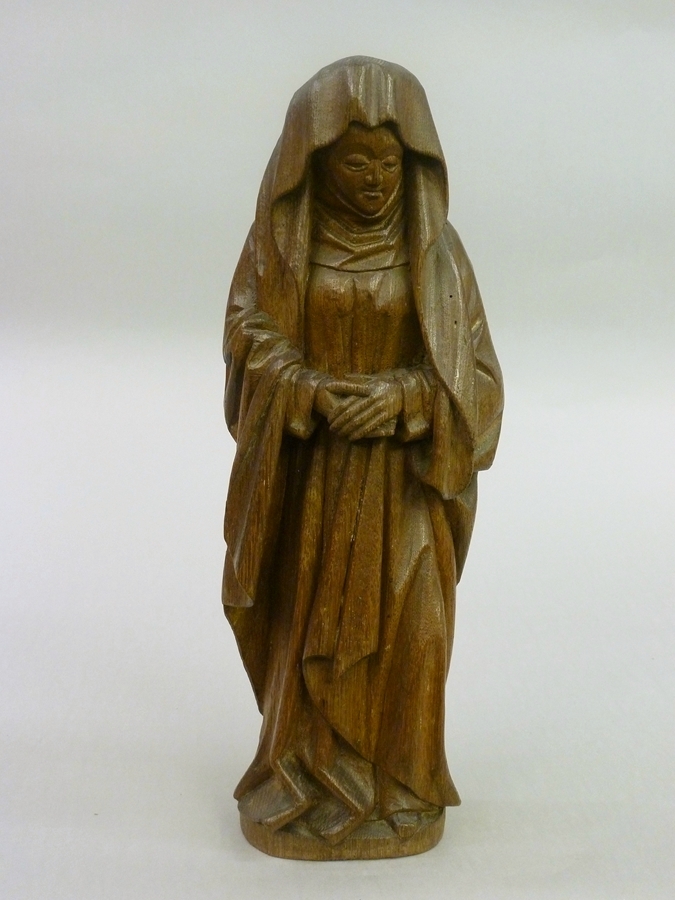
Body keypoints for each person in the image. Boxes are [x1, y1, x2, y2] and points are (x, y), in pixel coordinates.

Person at [222, 56, 503, 859]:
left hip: (403, 488)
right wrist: (305, 389)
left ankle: (397, 784)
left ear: (414, 164)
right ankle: (305, 780)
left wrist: (407, 399)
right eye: (354, 163)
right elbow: (247, 336)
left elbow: (476, 377)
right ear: (313, 161)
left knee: (412, 632)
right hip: (310, 479)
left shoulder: (437, 256)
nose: (375, 181)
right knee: (302, 625)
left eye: (388, 162)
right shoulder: (280, 247)